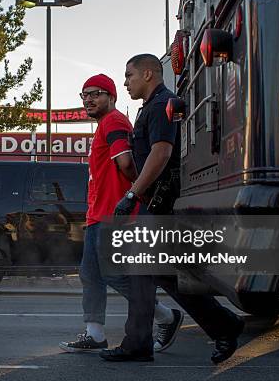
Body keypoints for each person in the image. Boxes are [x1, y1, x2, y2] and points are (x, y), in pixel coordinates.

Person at [100, 54, 244, 363]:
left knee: (149, 271)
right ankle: (222, 325)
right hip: (158, 205)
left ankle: (140, 343)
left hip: (162, 205)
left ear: (149, 74)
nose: (126, 82)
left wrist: (130, 195)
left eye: (130, 75)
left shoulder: (162, 105)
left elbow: (161, 153)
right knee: (165, 275)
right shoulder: (152, 107)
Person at [59, 74, 182, 356]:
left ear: (111, 97)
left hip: (113, 215)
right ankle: (94, 334)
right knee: (90, 275)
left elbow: (126, 163)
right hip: (97, 214)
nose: (89, 99)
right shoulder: (105, 124)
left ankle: (165, 316)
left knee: (113, 275)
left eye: (96, 93)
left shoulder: (114, 121)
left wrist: (135, 195)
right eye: (84, 94)